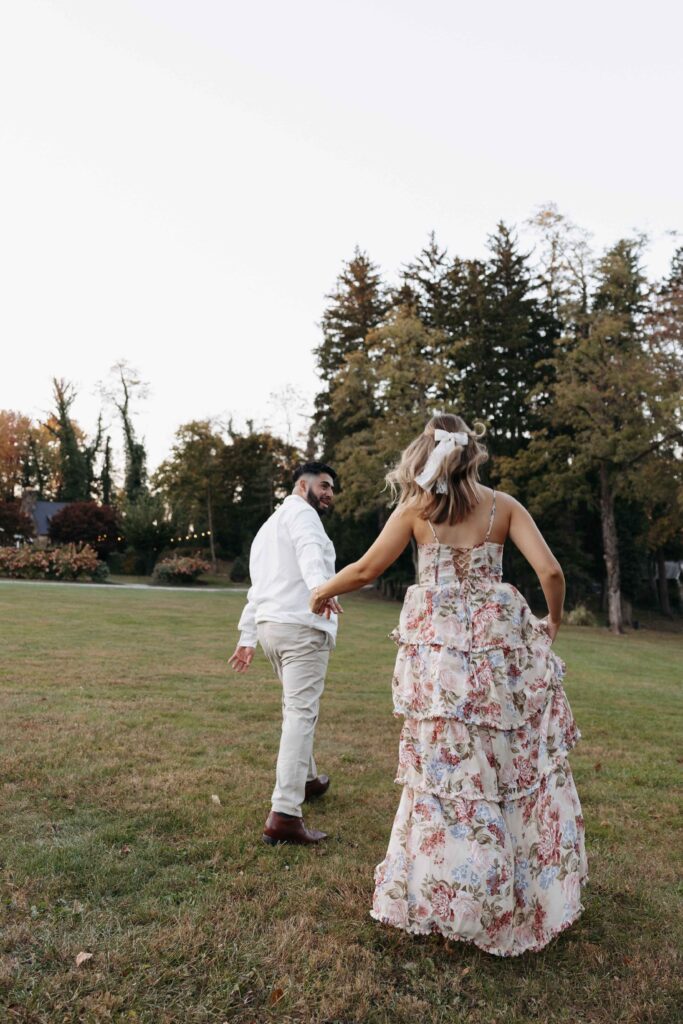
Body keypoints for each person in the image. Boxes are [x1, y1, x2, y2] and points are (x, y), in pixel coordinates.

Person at [310, 413, 587, 956]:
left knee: (447, 771)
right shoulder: (503, 507)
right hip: (497, 659)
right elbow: (551, 572)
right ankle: (516, 886)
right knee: (507, 765)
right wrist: (551, 620)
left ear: (426, 452)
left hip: (441, 666)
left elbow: (366, 569)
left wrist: (321, 591)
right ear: (473, 453)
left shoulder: (418, 509)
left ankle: (451, 889)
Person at [229, 462, 342, 846]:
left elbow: (258, 587)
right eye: (324, 485)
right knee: (300, 714)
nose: (328, 493)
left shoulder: (267, 527)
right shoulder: (303, 516)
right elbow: (311, 554)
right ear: (302, 484)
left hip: (271, 630)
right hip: (300, 628)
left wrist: (247, 636)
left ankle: (307, 780)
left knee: (294, 709)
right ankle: (284, 814)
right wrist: (320, 589)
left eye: (331, 489)